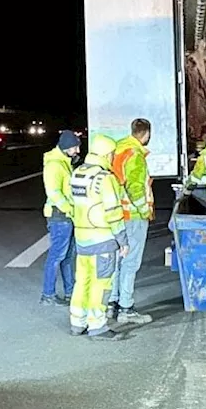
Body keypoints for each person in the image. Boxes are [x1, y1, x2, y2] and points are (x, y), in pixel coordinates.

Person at [69, 134, 129, 339]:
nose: (113, 158)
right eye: (112, 154)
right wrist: (122, 239)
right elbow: (113, 211)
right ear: (106, 154)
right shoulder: (105, 178)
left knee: (82, 281)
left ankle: (78, 322)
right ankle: (98, 325)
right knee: (101, 284)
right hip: (102, 239)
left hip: (81, 238)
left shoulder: (77, 173)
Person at [108, 119, 155, 324]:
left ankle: (112, 303)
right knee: (131, 263)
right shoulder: (135, 155)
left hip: (118, 214)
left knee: (118, 260)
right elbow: (135, 188)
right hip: (134, 216)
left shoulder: (118, 150)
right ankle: (126, 308)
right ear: (145, 134)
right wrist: (145, 211)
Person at [40, 130, 79, 306]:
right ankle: (48, 295)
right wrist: (70, 209)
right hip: (59, 215)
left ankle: (71, 292)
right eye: (75, 147)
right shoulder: (55, 165)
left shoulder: (64, 162)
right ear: (67, 147)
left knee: (68, 256)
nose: (77, 151)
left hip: (67, 216)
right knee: (57, 256)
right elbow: (54, 193)